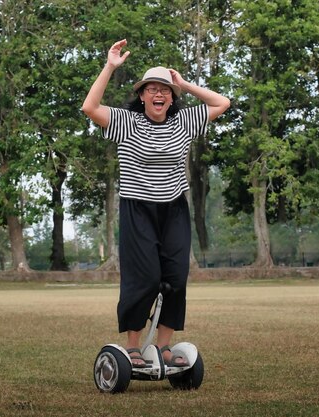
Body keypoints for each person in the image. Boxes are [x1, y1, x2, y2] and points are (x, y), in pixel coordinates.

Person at [81, 39, 230, 368]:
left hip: (174, 209)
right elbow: (90, 108)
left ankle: (163, 345)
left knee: (176, 277)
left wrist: (185, 84)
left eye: (165, 89)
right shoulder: (126, 123)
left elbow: (222, 102)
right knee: (145, 278)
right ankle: (133, 345)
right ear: (142, 95)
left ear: (172, 96)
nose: (158, 94)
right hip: (138, 210)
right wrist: (110, 66)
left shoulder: (185, 122)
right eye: (152, 89)